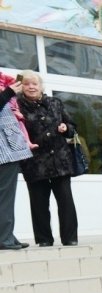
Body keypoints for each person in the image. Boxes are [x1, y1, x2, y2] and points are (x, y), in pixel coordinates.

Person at [17, 71, 80, 247]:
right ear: (21, 87)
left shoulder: (55, 103)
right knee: (39, 203)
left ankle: (70, 237)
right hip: (34, 162)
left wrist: (65, 127)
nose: (31, 86)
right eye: (27, 84)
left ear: (41, 86)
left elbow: (72, 127)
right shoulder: (17, 107)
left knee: (66, 201)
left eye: (34, 83)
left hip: (60, 160)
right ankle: (44, 239)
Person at [0, 74, 32, 250]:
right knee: (5, 196)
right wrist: (9, 92)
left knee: (5, 196)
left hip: (7, 150)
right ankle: (4, 238)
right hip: (4, 153)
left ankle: (7, 235)